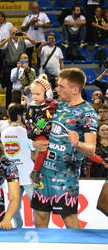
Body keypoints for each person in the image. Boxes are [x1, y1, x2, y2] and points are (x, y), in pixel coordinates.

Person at [31, 68, 98, 229]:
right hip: (44, 172)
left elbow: (91, 149)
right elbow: (39, 129)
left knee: (68, 218)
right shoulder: (54, 106)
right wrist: (35, 143)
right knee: (39, 216)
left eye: (61, 86)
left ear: (75, 89)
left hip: (66, 176)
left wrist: (77, 144)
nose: (56, 89)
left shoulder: (87, 112)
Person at [0, 104, 35, 228]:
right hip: (28, 175)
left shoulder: (4, 133)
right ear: (20, 116)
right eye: (24, 115)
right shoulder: (26, 133)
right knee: (35, 205)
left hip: (12, 175)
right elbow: (34, 149)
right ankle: (39, 228)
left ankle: (18, 227)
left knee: (14, 204)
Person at [24, 76, 58, 185]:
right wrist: (35, 130)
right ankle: (35, 172)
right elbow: (28, 121)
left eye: (37, 94)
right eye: (33, 94)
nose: (34, 96)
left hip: (51, 132)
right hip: (37, 133)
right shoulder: (31, 106)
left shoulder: (54, 104)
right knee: (43, 148)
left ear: (47, 93)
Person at [20, 1, 50, 68]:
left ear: (39, 8)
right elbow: (23, 29)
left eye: (37, 8)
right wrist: (30, 23)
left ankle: (40, 71)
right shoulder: (27, 17)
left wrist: (40, 24)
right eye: (34, 8)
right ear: (31, 8)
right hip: (29, 39)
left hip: (40, 39)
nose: (35, 9)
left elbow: (48, 25)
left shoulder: (43, 15)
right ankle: (28, 71)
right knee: (28, 57)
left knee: (40, 57)